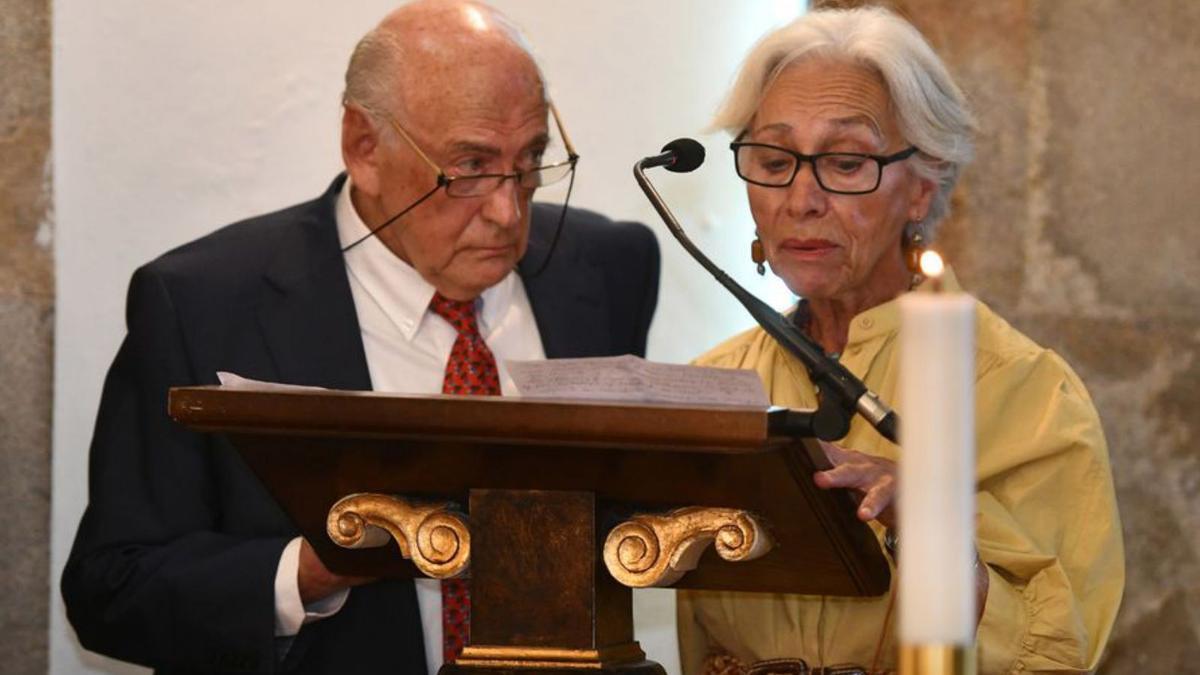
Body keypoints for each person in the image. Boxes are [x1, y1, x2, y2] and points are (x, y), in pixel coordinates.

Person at [60, 2, 660, 673]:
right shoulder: (204, 305)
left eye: (531, 160)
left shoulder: (610, 268)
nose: (508, 209)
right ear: (364, 147)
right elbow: (109, 588)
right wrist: (310, 570)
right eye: (469, 166)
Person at [676, 7, 1122, 674]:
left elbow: (1062, 651)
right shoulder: (714, 389)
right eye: (773, 159)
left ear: (923, 185)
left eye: (846, 162)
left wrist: (934, 528)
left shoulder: (1025, 392)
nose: (801, 198)